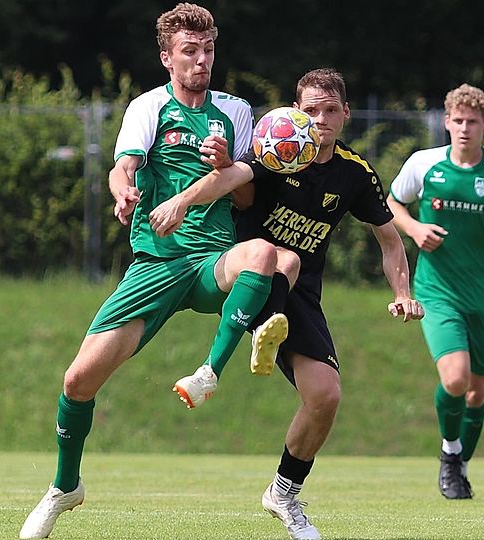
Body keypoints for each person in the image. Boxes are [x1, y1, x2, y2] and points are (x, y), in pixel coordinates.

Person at [18, 4, 295, 539]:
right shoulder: (149, 107)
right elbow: (122, 167)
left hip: (212, 261)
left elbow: (246, 193)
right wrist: (123, 192)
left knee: (263, 253)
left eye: (208, 50)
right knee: (77, 382)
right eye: (190, 51)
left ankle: (209, 373)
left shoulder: (236, 112)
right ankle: (64, 487)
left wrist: (225, 165)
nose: (201, 60)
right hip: (156, 264)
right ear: (167, 57)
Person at [149, 68, 424, 540]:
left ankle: (283, 493)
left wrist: (402, 293)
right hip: (249, 274)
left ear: (346, 114)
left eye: (330, 110)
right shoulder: (278, 147)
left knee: (325, 397)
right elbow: (230, 176)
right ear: (296, 111)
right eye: (311, 110)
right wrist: (182, 202)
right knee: (284, 257)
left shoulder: (354, 173)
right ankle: (238, 346)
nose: (320, 119)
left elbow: (389, 238)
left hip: (301, 296)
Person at [386, 84, 484, 500]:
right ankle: (450, 454)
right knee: (455, 379)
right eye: (458, 120)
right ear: (447, 122)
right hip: (437, 291)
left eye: (473, 121)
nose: (465, 128)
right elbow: (392, 204)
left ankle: (459, 468)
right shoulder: (424, 163)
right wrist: (414, 228)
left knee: (478, 391)